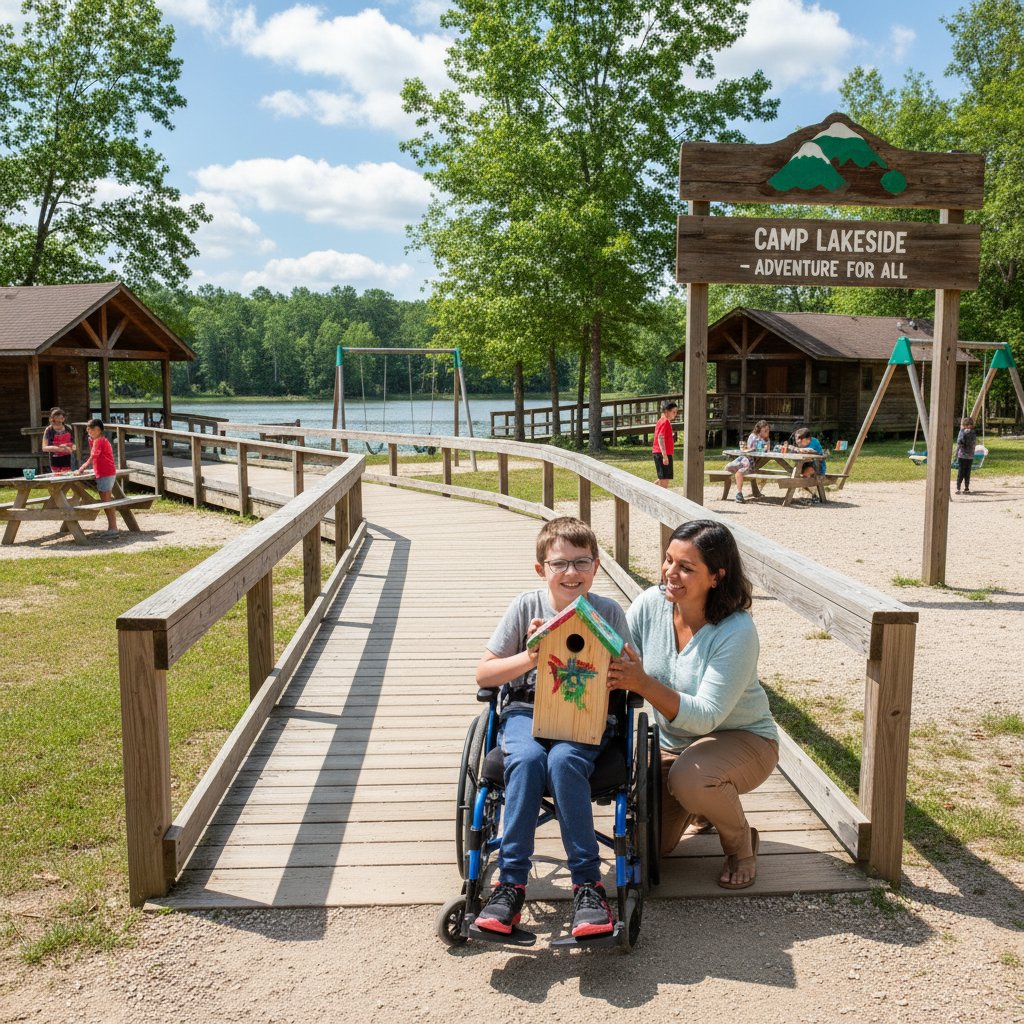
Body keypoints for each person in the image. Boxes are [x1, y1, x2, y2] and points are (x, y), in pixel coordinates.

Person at [475, 516, 630, 938]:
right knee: (524, 760)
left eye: (582, 562)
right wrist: (531, 654)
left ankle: (588, 885)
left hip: (586, 715)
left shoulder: (609, 610)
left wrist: (615, 660)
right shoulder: (526, 606)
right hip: (526, 712)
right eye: (559, 564)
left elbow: (634, 672)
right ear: (540, 568)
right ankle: (510, 885)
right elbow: (484, 674)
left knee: (563, 761)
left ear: (596, 566)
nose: (571, 573)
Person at [607, 520, 779, 890]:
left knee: (693, 778)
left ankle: (740, 846)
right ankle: (702, 805)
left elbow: (706, 717)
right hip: (673, 746)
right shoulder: (650, 604)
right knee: (649, 848)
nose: (670, 573)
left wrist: (642, 682)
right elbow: (615, 654)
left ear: (717, 576)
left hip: (743, 739)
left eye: (686, 567)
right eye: (669, 560)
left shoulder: (737, 631)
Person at [77, 419, 118, 536]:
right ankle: (112, 527)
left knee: (106, 501)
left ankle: (113, 528)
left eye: (90, 429)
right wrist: (91, 441)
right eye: (88, 429)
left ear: (98, 430)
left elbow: (94, 455)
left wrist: (82, 467)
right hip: (104, 472)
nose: (88, 431)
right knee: (106, 501)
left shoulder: (99, 441)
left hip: (105, 473)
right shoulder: (97, 440)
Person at [723, 420, 770, 504]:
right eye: (765, 430)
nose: (767, 432)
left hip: (751, 462)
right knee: (727, 468)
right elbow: (751, 448)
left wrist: (765, 444)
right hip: (745, 458)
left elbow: (765, 451)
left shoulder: (766, 440)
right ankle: (727, 493)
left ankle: (739, 494)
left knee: (740, 472)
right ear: (759, 430)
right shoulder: (753, 436)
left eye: (768, 430)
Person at [792, 426, 826, 501]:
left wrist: (798, 450)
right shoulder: (803, 445)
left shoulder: (813, 443)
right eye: (796, 439)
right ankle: (811, 493)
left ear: (808, 439)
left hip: (818, 468)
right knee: (797, 471)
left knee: (803, 475)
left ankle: (812, 493)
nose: (798, 441)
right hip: (805, 466)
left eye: (800, 439)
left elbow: (809, 454)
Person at [652, 400, 678, 488]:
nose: (675, 414)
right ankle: (660, 500)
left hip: (662, 453)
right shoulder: (665, 421)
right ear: (666, 412)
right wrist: (664, 456)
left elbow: (662, 436)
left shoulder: (661, 421)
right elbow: (660, 437)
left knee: (662, 478)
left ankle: (645, 490)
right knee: (664, 481)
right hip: (662, 454)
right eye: (673, 412)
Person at [41, 407, 76, 474]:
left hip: (69, 459)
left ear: (63, 419)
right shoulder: (49, 430)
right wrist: (59, 449)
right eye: (55, 421)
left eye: (59, 421)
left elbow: (75, 445)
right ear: (52, 419)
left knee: (69, 478)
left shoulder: (68, 428)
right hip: (55, 460)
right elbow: (44, 448)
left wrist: (70, 447)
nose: (57, 423)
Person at [955, 416, 977, 495]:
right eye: (967, 425)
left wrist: (966, 433)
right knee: (962, 472)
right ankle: (959, 488)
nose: (969, 427)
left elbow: (961, 442)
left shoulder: (971, 433)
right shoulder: (964, 431)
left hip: (967, 455)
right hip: (964, 456)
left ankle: (965, 488)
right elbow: (959, 442)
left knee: (965, 472)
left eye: (970, 425)